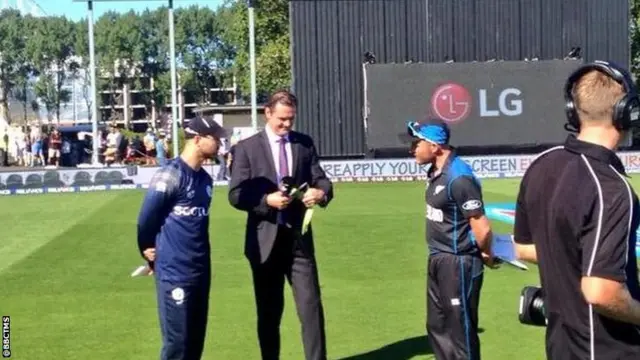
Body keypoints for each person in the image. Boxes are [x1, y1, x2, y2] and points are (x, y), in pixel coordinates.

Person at [513, 60, 640, 359]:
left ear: (574, 109)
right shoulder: (612, 189)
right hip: (608, 351)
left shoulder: (542, 165)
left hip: (561, 346)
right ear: (626, 111)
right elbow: (600, 292)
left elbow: (524, 248)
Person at [228, 90, 333, 360]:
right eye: (282, 119)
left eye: (291, 119)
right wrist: (266, 200)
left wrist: (320, 193)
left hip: (299, 242)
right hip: (264, 243)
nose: (287, 125)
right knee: (269, 312)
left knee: (311, 309)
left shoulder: (304, 144)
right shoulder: (246, 149)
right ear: (268, 113)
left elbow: (321, 179)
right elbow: (236, 194)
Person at [136, 116, 226, 360]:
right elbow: (146, 221)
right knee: (177, 345)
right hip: (174, 271)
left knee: (195, 342)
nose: (219, 142)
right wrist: (147, 249)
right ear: (197, 139)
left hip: (200, 271)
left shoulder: (206, 181)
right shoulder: (170, 176)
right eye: (215, 138)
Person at [405, 119, 495, 360]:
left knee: (460, 330)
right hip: (438, 258)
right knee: (437, 326)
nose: (412, 149)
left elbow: (482, 228)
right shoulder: (437, 172)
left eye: (417, 143)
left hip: (459, 263)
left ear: (435, 146)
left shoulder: (459, 177)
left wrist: (486, 253)